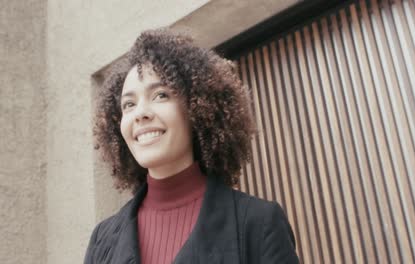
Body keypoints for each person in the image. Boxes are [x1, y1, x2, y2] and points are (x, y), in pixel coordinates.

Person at [84, 28, 300, 264]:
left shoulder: (258, 222)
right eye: (128, 104)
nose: (140, 114)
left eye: (160, 95)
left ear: (197, 109)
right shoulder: (102, 240)